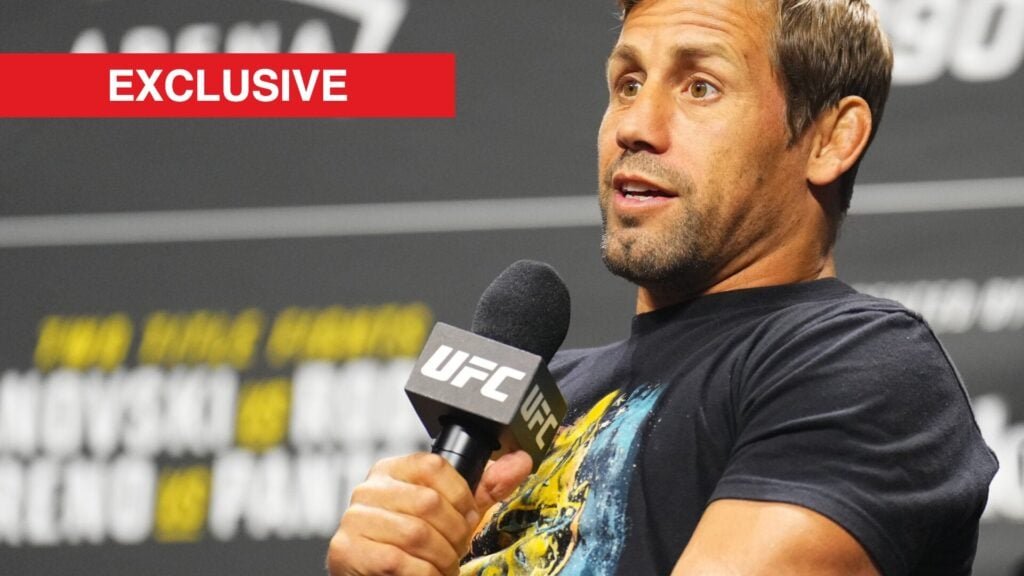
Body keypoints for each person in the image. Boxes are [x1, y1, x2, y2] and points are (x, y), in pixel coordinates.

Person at [326, 0, 998, 574]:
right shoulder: (546, 402)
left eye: (699, 86)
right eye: (627, 84)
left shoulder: (864, 367)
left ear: (830, 139)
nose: (634, 127)